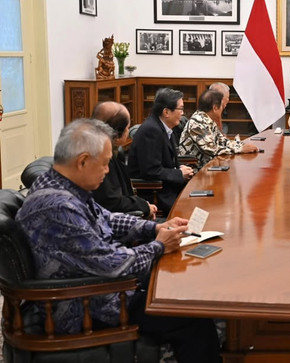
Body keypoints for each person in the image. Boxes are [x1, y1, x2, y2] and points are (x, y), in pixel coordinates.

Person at [16, 119, 221, 363]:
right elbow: (111, 265)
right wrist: (159, 246)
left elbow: (107, 218)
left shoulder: (60, 184)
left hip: (100, 283)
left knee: (185, 283)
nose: (106, 170)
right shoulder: (58, 207)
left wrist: (154, 228)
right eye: (104, 164)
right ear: (82, 161)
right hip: (88, 302)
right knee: (192, 317)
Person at [128, 88, 194, 214]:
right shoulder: (151, 131)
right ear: (166, 112)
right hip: (157, 193)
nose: (183, 113)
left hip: (168, 187)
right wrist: (179, 174)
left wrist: (180, 168)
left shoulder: (165, 127)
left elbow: (164, 161)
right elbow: (151, 171)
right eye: (180, 109)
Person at [91, 101, 158, 219]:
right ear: (116, 134)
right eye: (127, 128)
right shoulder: (100, 159)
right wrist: (143, 206)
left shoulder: (108, 152)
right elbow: (111, 202)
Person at [179, 89, 258, 170]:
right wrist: (239, 149)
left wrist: (241, 145)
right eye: (222, 106)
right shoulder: (198, 122)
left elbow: (222, 141)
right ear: (215, 108)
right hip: (195, 170)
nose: (223, 109)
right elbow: (211, 149)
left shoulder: (207, 119)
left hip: (208, 165)